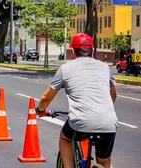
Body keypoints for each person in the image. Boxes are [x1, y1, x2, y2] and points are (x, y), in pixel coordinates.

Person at [35, 33, 118, 168]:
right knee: (105, 161)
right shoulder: (105, 67)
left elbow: (46, 97)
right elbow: (113, 95)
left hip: (80, 121)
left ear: (73, 52)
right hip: (108, 122)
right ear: (92, 50)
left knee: (65, 137)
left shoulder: (65, 69)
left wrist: (40, 110)